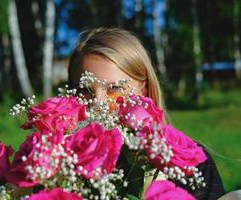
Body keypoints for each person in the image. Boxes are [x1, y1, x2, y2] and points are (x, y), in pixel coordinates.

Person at [67, 27, 225, 200]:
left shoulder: (192, 163)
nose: (98, 104)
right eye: (84, 91)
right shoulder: (64, 168)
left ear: (144, 91)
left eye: (114, 88)